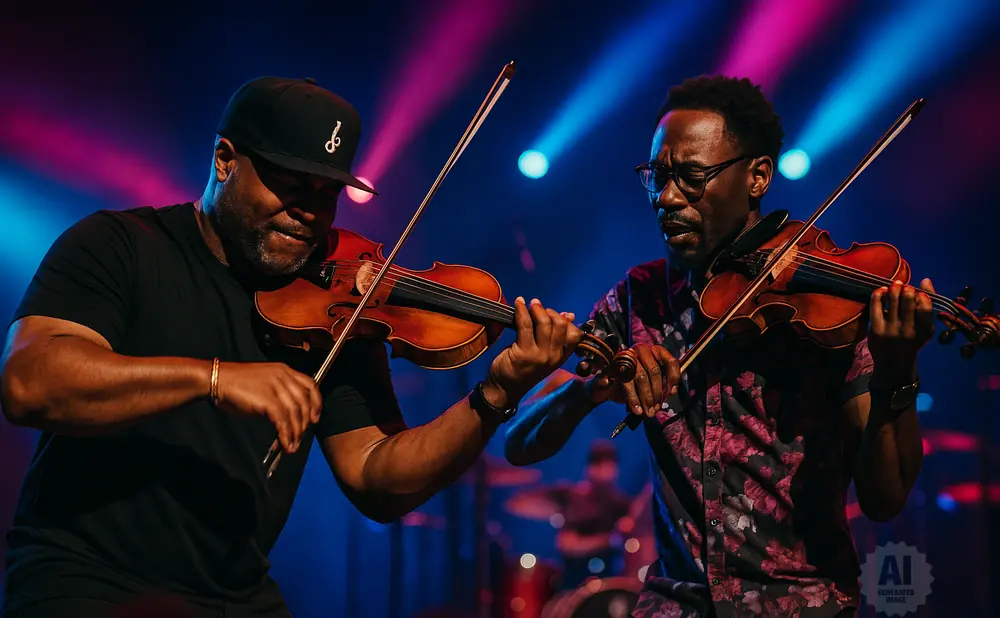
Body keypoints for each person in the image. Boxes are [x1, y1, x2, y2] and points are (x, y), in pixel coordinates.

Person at [0, 76, 582, 618]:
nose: (308, 213)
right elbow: (30, 382)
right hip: (83, 579)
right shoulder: (119, 245)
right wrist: (216, 378)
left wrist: (496, 394)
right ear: (225, 160)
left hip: (235, 595)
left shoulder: (338, 307)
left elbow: (378, 478)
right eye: (288, 183)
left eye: (327, 194)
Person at [504, 75, 934, 617]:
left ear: (756, 177)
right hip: (674, 606)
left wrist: (898, 371)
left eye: (691, 176)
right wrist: (593, 388)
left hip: (803, 606)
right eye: (657, 177)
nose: (666, 197)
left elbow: (885, 499)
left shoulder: (822, 308)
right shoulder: (638, 300)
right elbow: (521, 442)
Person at [505, 441, 633, 588]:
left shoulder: (622, 505)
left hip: (612, 580)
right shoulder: (573, 498)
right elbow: (566, 544)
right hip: (574, 580)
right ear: (589, 469)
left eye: (608, 465)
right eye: (599, 464)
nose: (604, 471)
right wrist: (607, 541)